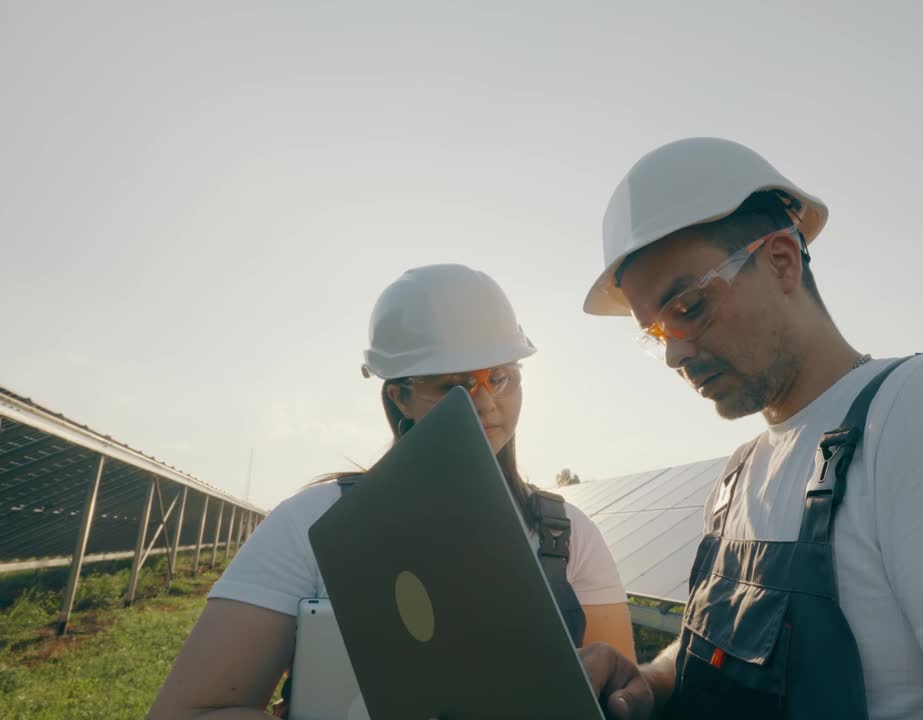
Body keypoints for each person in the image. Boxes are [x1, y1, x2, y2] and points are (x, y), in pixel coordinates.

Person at [576, 138, 923, 719]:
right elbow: (719, 646)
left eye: (689, 308)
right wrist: (649, 679)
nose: (676, 355)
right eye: (656, 335)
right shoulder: (738, 476)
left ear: (780, 261)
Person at [151, 264, 635, 719]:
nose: (488, 402)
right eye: (456, 385)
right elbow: (186, 711)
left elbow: (619, 697)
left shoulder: (569, 537)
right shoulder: (312, 525)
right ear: (398, 396)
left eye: (501, 377)